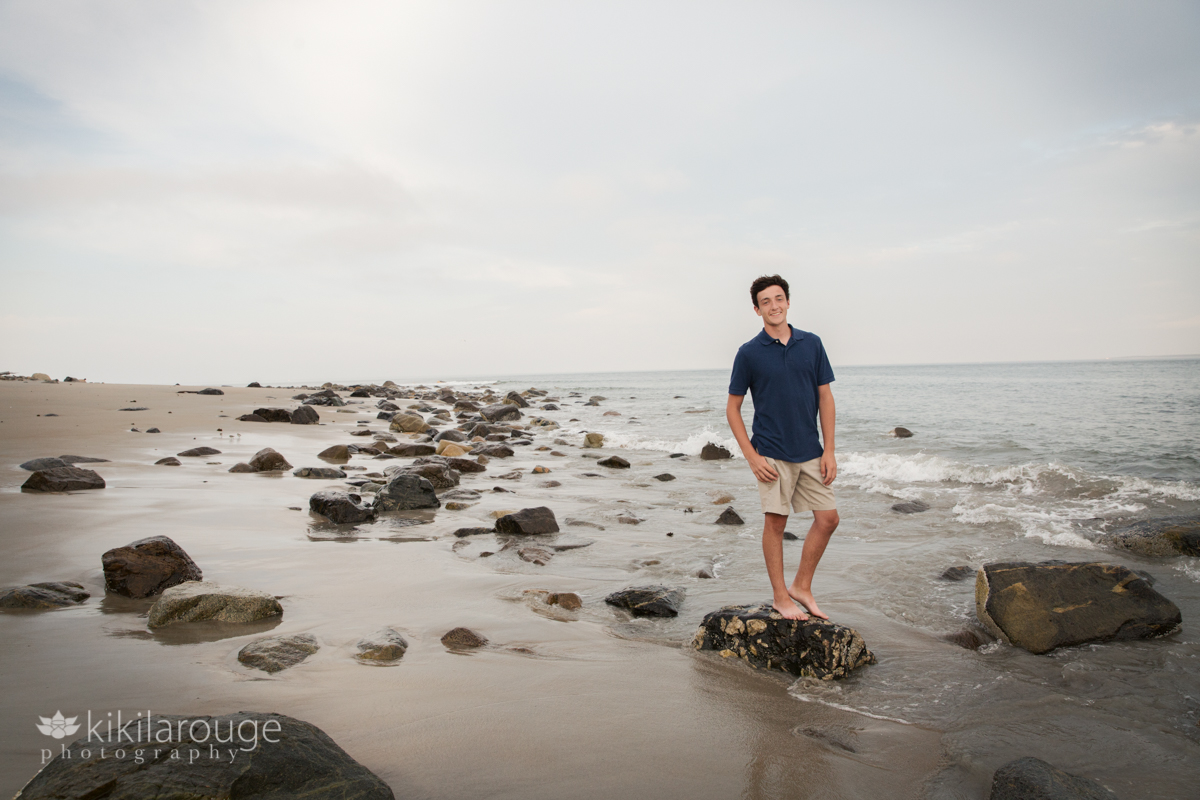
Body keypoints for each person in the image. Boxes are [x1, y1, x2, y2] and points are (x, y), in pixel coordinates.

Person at [726, 274, 839, 621]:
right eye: (765, 302)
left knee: (828, 519)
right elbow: (733, 408)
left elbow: (825, 397)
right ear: (756, 309)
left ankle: (801, 586)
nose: (773, 306)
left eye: (779, 299)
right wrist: (751, 456)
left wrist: (830, 450)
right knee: (775, 524)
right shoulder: (748, 353)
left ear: (788, 302)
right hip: (772, 453)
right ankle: (780, 597)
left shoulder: (812, 343)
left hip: (811, 450)